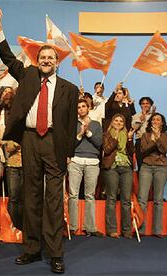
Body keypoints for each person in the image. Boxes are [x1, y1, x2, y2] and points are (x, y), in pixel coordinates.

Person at [0, 15, 79, 274]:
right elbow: (9, 58)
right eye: (42, 57)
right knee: (31, 195)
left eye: (50, 58)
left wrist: (68, 153)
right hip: (30, 140)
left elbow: (70, 124)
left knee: (53, 200)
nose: (46, 61)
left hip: (55, 143)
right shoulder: (28, 75)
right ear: (37, 61)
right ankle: (31, 249)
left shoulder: (70, 89)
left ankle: (55, 252)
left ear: (57, 63)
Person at [68, 99, 103, 237]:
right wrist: (80, 134)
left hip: (92, 162)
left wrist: (88, 133)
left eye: (83, 106)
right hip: (76, 161)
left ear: (88, 108)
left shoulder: (96, 124)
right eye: (78, 107)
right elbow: (70, 144)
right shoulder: (73, 124)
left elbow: (99, 143)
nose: (81, 109)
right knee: (73, 195)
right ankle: (72, 226)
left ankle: (90, 227)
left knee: (90, 195)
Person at [137, 113, 167, 238]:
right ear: (150, 122)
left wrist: (157, 138)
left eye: (158, 119)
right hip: (146, 166)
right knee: (142, 198)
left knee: (158, 199)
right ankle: (141, 228)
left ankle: (157, 230)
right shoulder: (145, 135)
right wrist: (154, 140)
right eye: (154, 119)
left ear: (162, 123)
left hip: (161, 168)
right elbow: (144, 150)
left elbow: (164, 149)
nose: (156, 121)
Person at [101, 114, 135, 239]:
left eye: (121, 121)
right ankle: (112, 230)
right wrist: (114, 138)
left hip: (126, 167)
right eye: (116, 120)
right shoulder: (106, 134)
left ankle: (126, 230)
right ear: (112, 122)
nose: (119, 122)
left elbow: (131, 152)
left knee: (126, 200)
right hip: (112, 167)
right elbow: (107, 150)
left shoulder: (127, 134)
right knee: (112, 198)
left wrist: (130, 140)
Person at [0, 87, 24, 229]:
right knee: (13, 197)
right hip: (12, 163)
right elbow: (7, 144)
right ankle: (12, 226)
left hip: (26, 163)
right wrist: (16, 142)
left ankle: (22, 226)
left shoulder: (23, 115)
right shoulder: (7, 116)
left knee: (24, 198)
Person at [132, 97, 154, 170]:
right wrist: (141, 119)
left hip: (152, 141)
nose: (145, 105)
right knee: (141, 165)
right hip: (140, 141)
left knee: (152, 165)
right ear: (140, 105)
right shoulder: (135, 116)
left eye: (147, 103)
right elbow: (134, 128)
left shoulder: (154, 116)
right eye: (143, 104)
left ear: (151, 105)